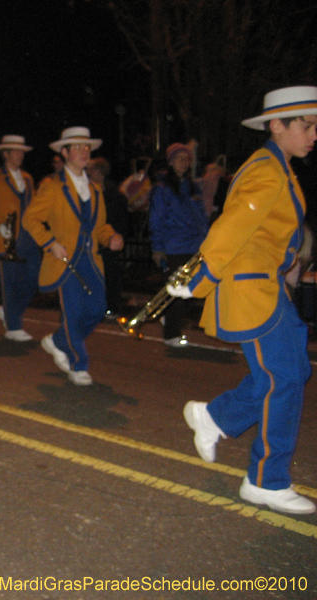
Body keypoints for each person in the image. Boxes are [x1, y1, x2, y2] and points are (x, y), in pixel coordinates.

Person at [170, 86, 317, 515]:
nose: (314, 135)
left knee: (292, 372)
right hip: (251, 291)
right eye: (307, 126)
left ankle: (215, 418)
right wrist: (198, 277)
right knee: (284, 379)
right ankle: (265, 481)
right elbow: (232, 226)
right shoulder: (267, 171)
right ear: (278, 125)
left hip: (269, 288)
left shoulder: (281, 168)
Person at [23, 127, 124, 385]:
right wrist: (50, 243)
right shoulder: (53, 187)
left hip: (90, 260)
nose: (83, 152)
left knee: (98, 309)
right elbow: (30, 219)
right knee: (74, 313)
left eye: (86, 147)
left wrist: (110, 236)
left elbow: (100, 226)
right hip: (64, 261)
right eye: (77, 147)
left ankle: (58, 340)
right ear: (64, 152)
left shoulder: (95, 189)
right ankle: (78, 363)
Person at [0, 135, 40, 340]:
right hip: (7, 238)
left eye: (22, 151)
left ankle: (9, 311)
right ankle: (13, 327)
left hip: (28, 237)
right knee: (10, 283)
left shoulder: (28, 178)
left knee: (35, 279)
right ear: (5, 154)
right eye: (15, 151)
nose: (20, 155)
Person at [148, 143, 209, 345]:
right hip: (174, 245)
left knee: (193, 289)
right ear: (171, 161)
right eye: (180, 158)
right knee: (177, 291)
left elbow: (201, 216)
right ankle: (171, 334)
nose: (184, 162)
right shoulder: (162, 188)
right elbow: (156, 219)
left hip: (194, 245)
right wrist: (158, 248)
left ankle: (169, 321)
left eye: (187, 159)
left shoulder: (193, 187)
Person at [87, 157, 128, 317]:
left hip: (108, 240)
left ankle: (111, 305)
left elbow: (120, 219)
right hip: (93, 241)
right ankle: (96, 305)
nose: (88, 173)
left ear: (99, 172)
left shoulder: (114, 195)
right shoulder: (87, 192)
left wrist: (114, 236)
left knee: (110, 274)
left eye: (91, 170)